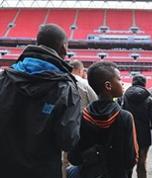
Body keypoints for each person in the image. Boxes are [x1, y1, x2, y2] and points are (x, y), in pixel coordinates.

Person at [0, 24, 81, 178]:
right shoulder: (66, 87)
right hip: (43, 171)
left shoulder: (4, 79)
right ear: (64, 48)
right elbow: (68, 140)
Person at [68, 62, 139, 178]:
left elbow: (74, 157)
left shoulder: (82, 116)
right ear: (108, 86)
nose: (122, 83)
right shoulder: (125, 117)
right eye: (119, 79)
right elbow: (130, 160)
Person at [119, 74, 152, 178]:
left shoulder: (122, 98)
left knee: (126, 163)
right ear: (144, 84)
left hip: (126, 135)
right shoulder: (150, 100)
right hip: (144, 135)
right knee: (141, 164)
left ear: (133, 82)